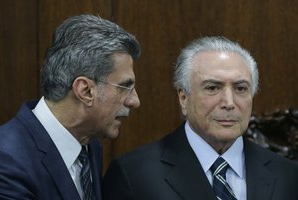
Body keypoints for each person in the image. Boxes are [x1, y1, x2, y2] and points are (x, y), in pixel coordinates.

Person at [102, 36, 298, 200]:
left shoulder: (288, 176)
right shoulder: (134, 175)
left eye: (240, 89)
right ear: (183, 98)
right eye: (212, 88)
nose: (229, 102)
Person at [0, 14, 141, 200]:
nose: (134, 101)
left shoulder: (89, 143)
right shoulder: (6, 161)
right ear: (85, 91)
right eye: (125, 87)